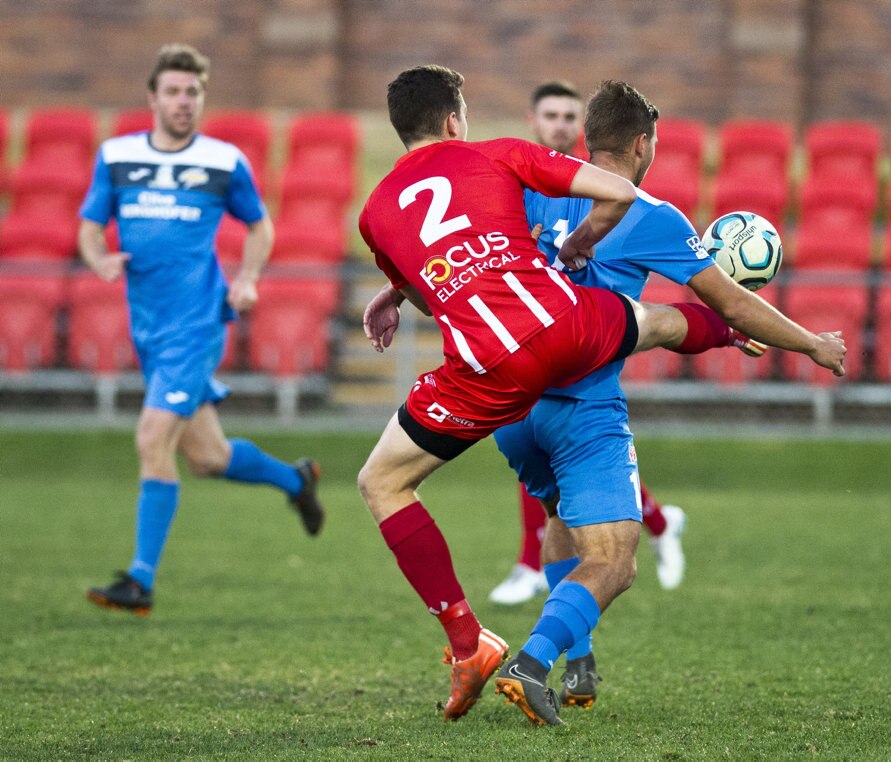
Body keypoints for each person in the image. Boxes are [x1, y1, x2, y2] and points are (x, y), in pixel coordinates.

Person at [358, 64, 846, 723]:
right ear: (642, 146)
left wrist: (392, 292)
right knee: (614, 561)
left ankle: (578, 660)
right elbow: (729, 298)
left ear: (585, 138)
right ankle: (533, 663)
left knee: (556, 517)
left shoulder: (512, 190)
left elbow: (453, 252)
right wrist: (808, 342)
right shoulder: (649, 213)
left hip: (512, 409)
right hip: (582, 392)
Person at [79, 43, 325, 617]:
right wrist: (99, 261)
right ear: (153, 97)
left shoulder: (223, 161)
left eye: (192, 92)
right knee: (206, 457)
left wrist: (248, 278)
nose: (183, 101)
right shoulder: (116, 156)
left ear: (201, 97)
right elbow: (90, 227)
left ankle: (139, 580)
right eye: (173, 91)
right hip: (150, 330)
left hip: (197, 324)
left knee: (150, 438)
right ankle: (296, 479)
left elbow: (260, 228)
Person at [488, 80, 687, 607]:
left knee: (572, 473)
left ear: (584, 129)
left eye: (568, 116)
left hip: (583, 362)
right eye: (549, 114)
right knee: (554, 461)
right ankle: (655, 524)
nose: (559, 124)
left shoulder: (595, 194)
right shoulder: (520, 188)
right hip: (535, 358)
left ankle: (538, 566)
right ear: (533, 122)